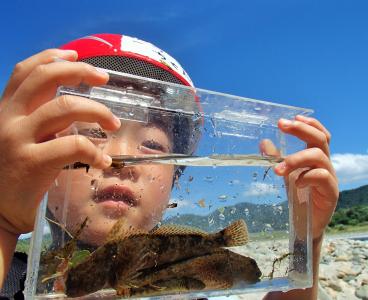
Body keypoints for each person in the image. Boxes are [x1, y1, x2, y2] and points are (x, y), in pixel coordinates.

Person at [0, 34, 338, 299]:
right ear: (38, 164)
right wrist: (4, 221)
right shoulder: (10, 278)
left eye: (152, 145)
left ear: (174, 181)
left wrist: (305, 241)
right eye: (92, 134)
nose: (120, 160)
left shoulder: (181, 285)